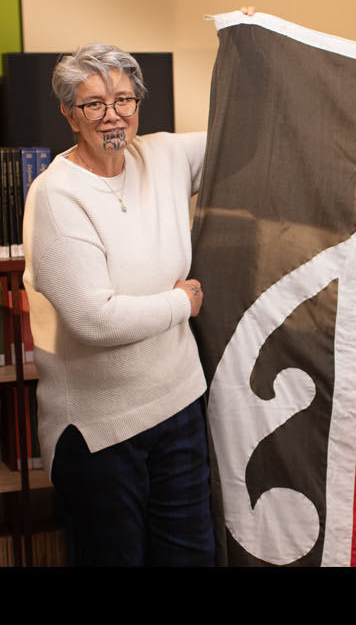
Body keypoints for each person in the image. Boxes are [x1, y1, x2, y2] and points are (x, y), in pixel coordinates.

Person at [20, 34, 221, 566]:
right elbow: (94, 319)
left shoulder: (165, 155)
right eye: (94, 104)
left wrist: (249, 47)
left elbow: (241, 134)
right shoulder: (55, 195)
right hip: (99, 435)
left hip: (179, 410)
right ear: (69, 114)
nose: (113, 117)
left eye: (124, 100)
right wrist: (183, 303)